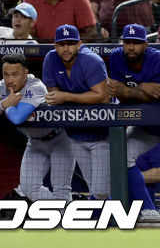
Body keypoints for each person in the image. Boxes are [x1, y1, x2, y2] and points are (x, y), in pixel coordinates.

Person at [0, 53, 75, 201]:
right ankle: (64, 211)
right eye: (6, 74)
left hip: (59, 139)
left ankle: (66, 216)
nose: (9, 80)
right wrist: (3, 104)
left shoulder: (36, 86)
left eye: (15, 74)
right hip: (35, 141)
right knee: (28, 187)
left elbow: (17, 117)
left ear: (25, 73)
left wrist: (3, 105)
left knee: (61, 187)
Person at [106, 24, 160, 224]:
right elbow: (118, 94)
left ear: (146, 44)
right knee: (122, 154)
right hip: (146, 124)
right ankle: (149, 211)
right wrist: (140, 89)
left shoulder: (159, 59)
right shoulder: (117, 58)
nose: (130, 47)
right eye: (127, 42)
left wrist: (128, 91)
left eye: (136, 43)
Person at [42, 24, 109, 202]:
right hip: (76, 133)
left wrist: (67, 96)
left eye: (71, 43)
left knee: (102, 190)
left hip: (102, 133)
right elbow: (53, 95)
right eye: (62, 44)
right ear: (55, 45)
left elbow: (102, 96)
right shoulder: (50, 59)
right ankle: (105, 225)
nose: (66, 48)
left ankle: (117, 216)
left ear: (79, 44)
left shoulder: (91, 60)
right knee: (93, 187)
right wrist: (64, 97)